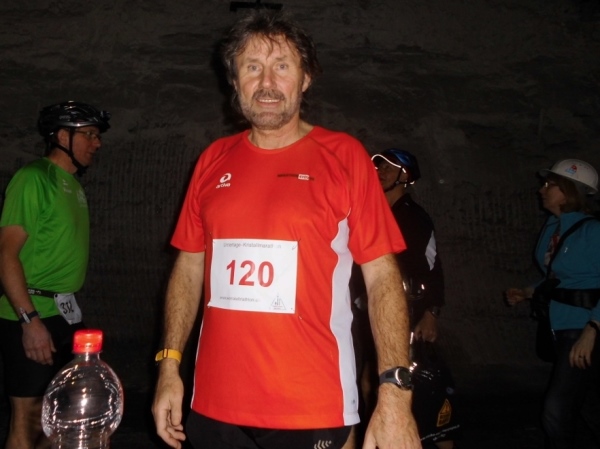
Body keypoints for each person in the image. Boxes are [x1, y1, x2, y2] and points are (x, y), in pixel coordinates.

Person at [151, 10, 421, 449]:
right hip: (214, 406)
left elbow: (382, 277)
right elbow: (189, 266)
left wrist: (394, 392)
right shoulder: (212, 160)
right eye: (252, 67)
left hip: (312, 405)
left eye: (282, 66)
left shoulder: (344, 156)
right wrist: (168, 367)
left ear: (306, 78)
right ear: (234, 82)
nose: (267, 82)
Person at [0, 101, 110, 449]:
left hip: (65, 313)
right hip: (31, 313)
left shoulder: (73, 185)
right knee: (29, 420)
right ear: (62, 137)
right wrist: (29, 321)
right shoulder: (34, 178)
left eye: (97, 135)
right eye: (89, 134)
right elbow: (6, 253)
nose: (97, 143)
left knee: (64, 417)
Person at [353, 149, 460, 449]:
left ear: (406, 177)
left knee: (422, 387)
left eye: (391, 168)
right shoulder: (374, 212)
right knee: (369, 381)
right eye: (379, 166)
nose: (381, 171)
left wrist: (431, 312)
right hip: (376, 312)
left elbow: (432, 266)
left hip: (408, 312)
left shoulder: (413, 217)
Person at [506, 159, 600, 449]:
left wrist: (593, 328)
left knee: (556, 410)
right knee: (586, 405)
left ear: (569, 191)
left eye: (550, 184)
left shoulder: (593, 232)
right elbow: (559, 278)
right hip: (558, 325)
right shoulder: (553, 227)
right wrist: (528, 292)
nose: (541, 189)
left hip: (583, 327)